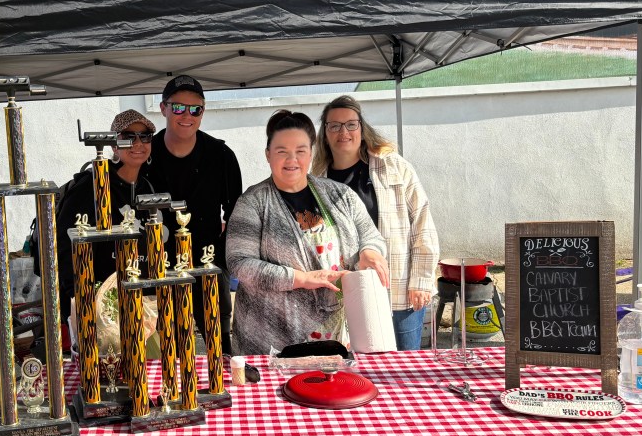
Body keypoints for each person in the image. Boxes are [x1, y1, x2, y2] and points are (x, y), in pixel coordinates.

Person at [226, 110, 388, 356]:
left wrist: (370, 251)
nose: (292, 159)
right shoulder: (252, 203)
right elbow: (240, 263)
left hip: (333, 335)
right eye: (282, 151)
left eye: (300, 151)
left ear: (311, 153)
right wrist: (300, 279)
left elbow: (370, 235)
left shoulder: (340, 195)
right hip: (270, 338)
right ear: (268, 155)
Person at [312, 95, 439, 350]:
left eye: (351, 124)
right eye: (334, 125)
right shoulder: (317, 182)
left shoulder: (392, 166)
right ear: (324, 133)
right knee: (359, 364)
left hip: (399, 286)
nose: (343, 132)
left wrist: (421, 280)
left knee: (404, 364)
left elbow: (422, 220)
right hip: (347, 293)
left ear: (362, 128)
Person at [145, 75, 242, 355]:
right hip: (161, 268)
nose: (186, 115)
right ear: (163, 108)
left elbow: (235, 214)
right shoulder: (146, 155)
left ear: (203, 111)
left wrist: (221, 261)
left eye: (195, 109)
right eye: (178, 107)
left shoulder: (221, 155)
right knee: (167, 351)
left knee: (220, 350)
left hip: (208, 267)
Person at [55, 109, 158, 324]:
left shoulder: (148, 187)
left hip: (141, 304)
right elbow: (64, 245)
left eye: (145, 136)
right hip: (97, 307)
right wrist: (81, 297)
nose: (138, 143)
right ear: (114, 145)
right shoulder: (90, 187)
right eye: (129, 137)